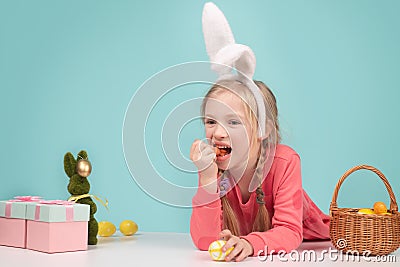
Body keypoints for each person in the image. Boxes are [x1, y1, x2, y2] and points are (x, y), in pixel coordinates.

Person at [189, 79, 330, 262]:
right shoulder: (212, 168)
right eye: (210, 122)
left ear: (263, 130)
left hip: (319, 246)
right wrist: (207, 179)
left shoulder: (284, 162)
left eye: (233, 122)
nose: (217, 133)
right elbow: (204, 241)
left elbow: (290, 231)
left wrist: (249, 244)